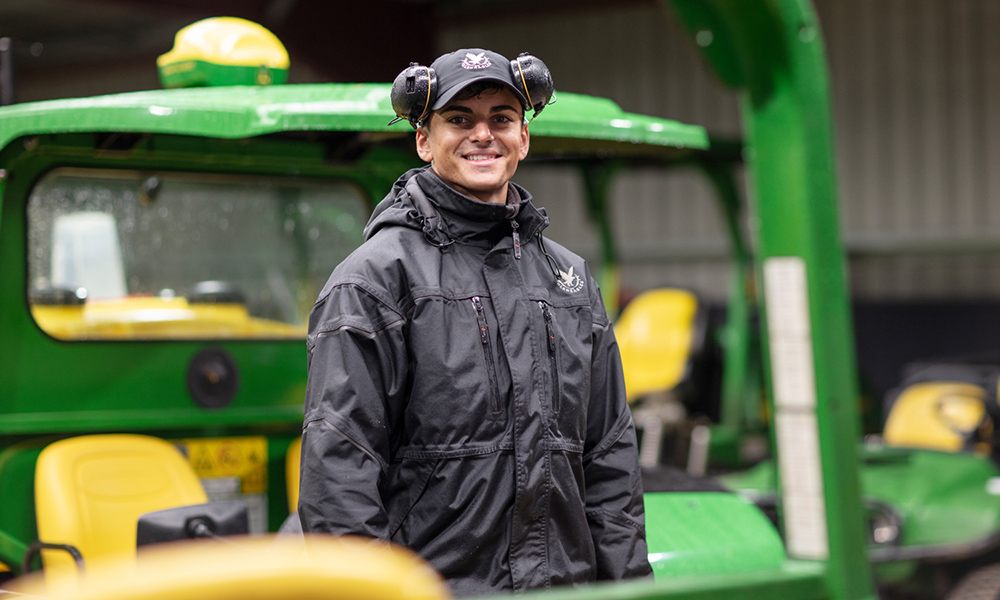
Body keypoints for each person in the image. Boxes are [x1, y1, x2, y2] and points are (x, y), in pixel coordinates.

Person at [299, 48, 652, 596]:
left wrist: (629, 589)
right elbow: (340, 469)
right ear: (423, 139)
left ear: (524, 139)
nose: (482, 134)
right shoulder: (375, 281)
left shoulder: (570, 280)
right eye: (459, 119)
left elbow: (609, 456)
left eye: (501, 119)